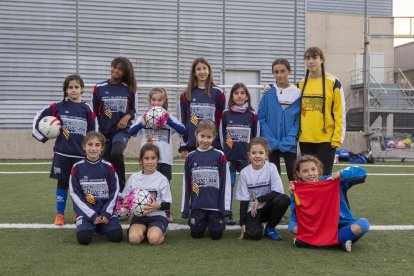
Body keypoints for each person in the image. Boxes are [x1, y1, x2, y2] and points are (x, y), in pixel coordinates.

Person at [32, 74, 97, 225]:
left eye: (76, 87)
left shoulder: (87, 109)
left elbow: (94, 132)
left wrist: (93, 150)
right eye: (70, 87)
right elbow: (39, 116)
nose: (73, 90)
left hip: (81, 155)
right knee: (62, 183)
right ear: (66, 90)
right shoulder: (58, 107)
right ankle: (60, 214)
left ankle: (77, 212)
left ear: (81, 89)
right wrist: (41, 136)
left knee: (79, 185)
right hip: (62, 153)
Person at [288, 155, 370, 252]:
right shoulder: (299, 190)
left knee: (363, 224)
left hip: (341, 224)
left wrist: (342, 173)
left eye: (313, 169)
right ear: (299, 174)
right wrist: (294, 195)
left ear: (318, 170)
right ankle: (341, 242)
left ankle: (314, 242)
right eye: (305, 171)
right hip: (317, 227)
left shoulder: (331, 180)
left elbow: (362, 172)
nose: (310, 174)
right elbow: (296, 216)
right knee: (292, 226)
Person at [128, 87, 185, 222]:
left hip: (164, 159)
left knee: (165, 185)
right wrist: (142, 124)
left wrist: (167, 120)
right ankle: (145, 208)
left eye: (159, 100)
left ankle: (166, 211)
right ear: (150, 101)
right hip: (147, 160)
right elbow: (130, 132)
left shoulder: (169, 117)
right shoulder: (144, 117)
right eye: (153, 100)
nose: (156, 102)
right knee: (147, 184)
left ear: (164, 101)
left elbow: (183, 129)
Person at [298, 47, 346, 175]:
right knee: (308, 177)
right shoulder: (301, 84)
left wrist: (337, 138)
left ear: (322, 60)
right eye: (307, 58)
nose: (311, 61)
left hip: (326, 140)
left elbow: (339, 113)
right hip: (305, 139)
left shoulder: (333, 83)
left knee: (324, 177)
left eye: (314, 58)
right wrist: (269, 89)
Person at [69, 131, 123, 245]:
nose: (93, 148)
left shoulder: (108, 167)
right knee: (84, 239)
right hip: (87, 212)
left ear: (102, 148)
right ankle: (89, 224)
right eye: (90, 144)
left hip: (105, 211)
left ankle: (100, 226)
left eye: (97, 145)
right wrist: (91, 215)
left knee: (116, 236)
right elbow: (75, 194)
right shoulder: (77, 167)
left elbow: (115, 191)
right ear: (84, 146)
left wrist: (106, 213)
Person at [181, 119, 231, 240]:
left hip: (215, 207)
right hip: (198, 206)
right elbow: (186, 184)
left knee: (216, 235)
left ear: (214, 137)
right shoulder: (190, 157)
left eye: (209, 137)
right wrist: (185, 209)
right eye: (202, 136)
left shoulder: (220, 155)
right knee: (196, 235)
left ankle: (215, 222)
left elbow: (226, 182)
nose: (205, 140)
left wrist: (225, 208)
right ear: (196, 135)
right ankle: (200, 221)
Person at [92, 57, 137, 191]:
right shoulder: (99, 88)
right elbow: (94, 113)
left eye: (120, 69)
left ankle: (122, 188)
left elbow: (134, 110)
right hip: (103, 132)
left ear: (125, 73)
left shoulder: (129, 89)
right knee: (106, 163)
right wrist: (98, 134)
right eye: (114, 67)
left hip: (121, 131)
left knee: (116, 153)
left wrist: (127, 117)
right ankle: (111, 192)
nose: (116, 71)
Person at [219, 83, 260, 225]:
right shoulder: (225, 114)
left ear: (247, 96)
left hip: (245, 158)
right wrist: (224, 153)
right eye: (236, 93)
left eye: (243, 93)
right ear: (232, 96)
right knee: (229, 185)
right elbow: (221, 135)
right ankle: (227, 213)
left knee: (249, 186)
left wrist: (252, 155)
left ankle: (249, 213)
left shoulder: (252, 115)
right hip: (230, 157)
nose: (240, 95)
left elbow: (256, 136)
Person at [236, 137, 290, 241]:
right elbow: (244, 199)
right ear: (249, 155)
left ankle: (270, 228)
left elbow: (277, 192)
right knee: (252, 235)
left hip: (268, 207)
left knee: (283, 199)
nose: (257, 156)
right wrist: (242, 223)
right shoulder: (244, 172)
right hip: (253, 210)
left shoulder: (271, 168)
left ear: (266, 155)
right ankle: (257, 225)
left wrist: (259, 199)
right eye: (254, 153)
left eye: (261, 153)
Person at [259, 58, 301, 181]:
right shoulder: (268, 93)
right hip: (271, 144)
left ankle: (296, 200)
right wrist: (270, 140)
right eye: (276, 72)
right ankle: (275, 200)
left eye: (282, 71)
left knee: (293, 176)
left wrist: (290, 139)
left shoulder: (298, 93)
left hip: (289, 143)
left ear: (289, 71)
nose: (279, 75)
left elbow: (298, 120)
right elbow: (261, 118)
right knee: (273, 177)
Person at [121, 144, 172, 245]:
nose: (150, 162)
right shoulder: (134, 178)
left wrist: (157, 206)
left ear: (158, 159)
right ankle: (143, 231)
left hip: (157, 216)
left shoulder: (162, 179)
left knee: (153, 240)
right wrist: (126, 204)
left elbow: (167, 204)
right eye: (146, 158)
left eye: (153, 158)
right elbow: (124, 198)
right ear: (141, 160)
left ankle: (157, 232)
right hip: (139, 217)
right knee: (134, 240)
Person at [179, 57, 226, 156]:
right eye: (198, 69)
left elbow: (221, 120)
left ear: (209, 71)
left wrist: (222, 143)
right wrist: (183, 143)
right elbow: (182, 120)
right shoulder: (186, 94)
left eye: (204, 68)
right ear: (194, 73)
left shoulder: (218, 93)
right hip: (192, 143)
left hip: (213, 143)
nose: (202, 71)